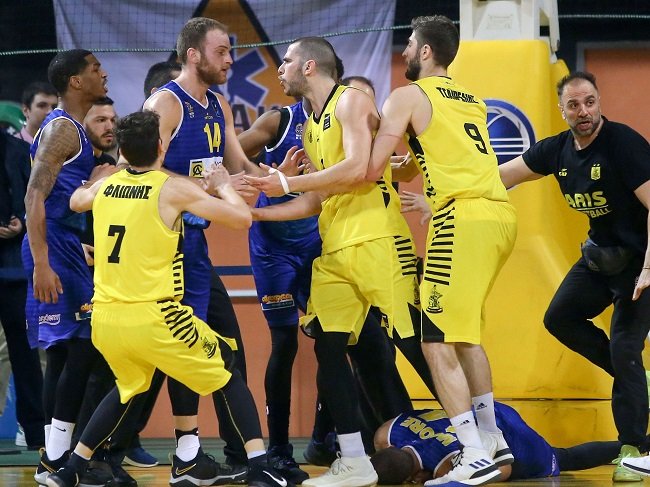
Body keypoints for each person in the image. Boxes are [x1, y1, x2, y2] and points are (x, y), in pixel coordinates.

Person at [44, 109, 290, 487]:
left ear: (123, 150)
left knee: (128, 386)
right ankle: (259, 466)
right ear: (162, 146)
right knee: (227, 364)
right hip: (154, 316)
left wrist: (96, 178)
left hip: (107, 319)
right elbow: (241, 218)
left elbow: (76, 200)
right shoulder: (171, 188)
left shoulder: (105, 187)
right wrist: (222, 184)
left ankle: (71, 469)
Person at [244, 36, 423, 487]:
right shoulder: (309, 128)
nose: (279, 68)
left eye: (286, 60)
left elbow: (359, 167)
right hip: (336, 248)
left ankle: (474, 440)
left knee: (419, 345)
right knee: (327, 347)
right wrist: (257, 209)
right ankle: (355, 460)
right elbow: (315, 200)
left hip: (378, 240)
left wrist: (287, 183)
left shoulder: (352, 101)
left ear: (309, 67)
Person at [366, 15, 518, 486]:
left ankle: (472, 453)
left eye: (410, 44)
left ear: (426, 51)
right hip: (498, 217)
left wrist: (348, 143)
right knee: (465, 336)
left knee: (434, 340)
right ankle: (492, 440)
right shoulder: (468, 99)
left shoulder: (407, 96)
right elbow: (411, 168)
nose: (405, 52)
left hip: (460, 218)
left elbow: (370, 168)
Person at [499, 71, 650, 482]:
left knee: (625, 346)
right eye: (574, 105)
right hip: (602, 258)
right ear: (562, 110)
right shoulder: (557, 150)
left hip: (642, 262)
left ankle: (633, 451)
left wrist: (648, 269)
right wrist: (440, 200)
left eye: (589, 102)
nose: (583, 111)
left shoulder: (623, 144)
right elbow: (499, 178)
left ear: (599, 102)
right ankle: (635, 380)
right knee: (559, 318)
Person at [142, 17, 274, 484]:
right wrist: (210, 187)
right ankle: (182, 453)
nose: (230, 60)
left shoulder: (217, 103)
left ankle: (237, 454)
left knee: (227, 347)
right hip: (165, 248)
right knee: (183, 353)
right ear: (193, 54)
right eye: (222, 51)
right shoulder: (165, 103)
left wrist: (281, 178)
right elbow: (139, 171)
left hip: (195, 246)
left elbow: (238, 164)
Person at [21, 49, 116, 486]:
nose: (103, 73)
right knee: (81, 348)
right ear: (76, 81)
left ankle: (54, 458)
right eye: (95, 69)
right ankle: (57, 456)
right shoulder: (62, 128)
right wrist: (42, 262)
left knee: (65, 352)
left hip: (65, 244)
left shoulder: (72, 128)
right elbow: (34, 196)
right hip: (52, 246)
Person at [370, 402, 622, 484]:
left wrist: (433, 476)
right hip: (490, 412)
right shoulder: (387, 433)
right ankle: (633, 443)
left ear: (411, 478)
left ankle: (636, 445)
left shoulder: (443, 466)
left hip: (513, 443)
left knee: (563, 458)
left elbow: (502, 469)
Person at [0, 129, 45, 450]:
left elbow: (35, 198)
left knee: (27, 354)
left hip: (14, 266)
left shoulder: (18, 149)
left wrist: (21, 221)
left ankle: (36, 433)